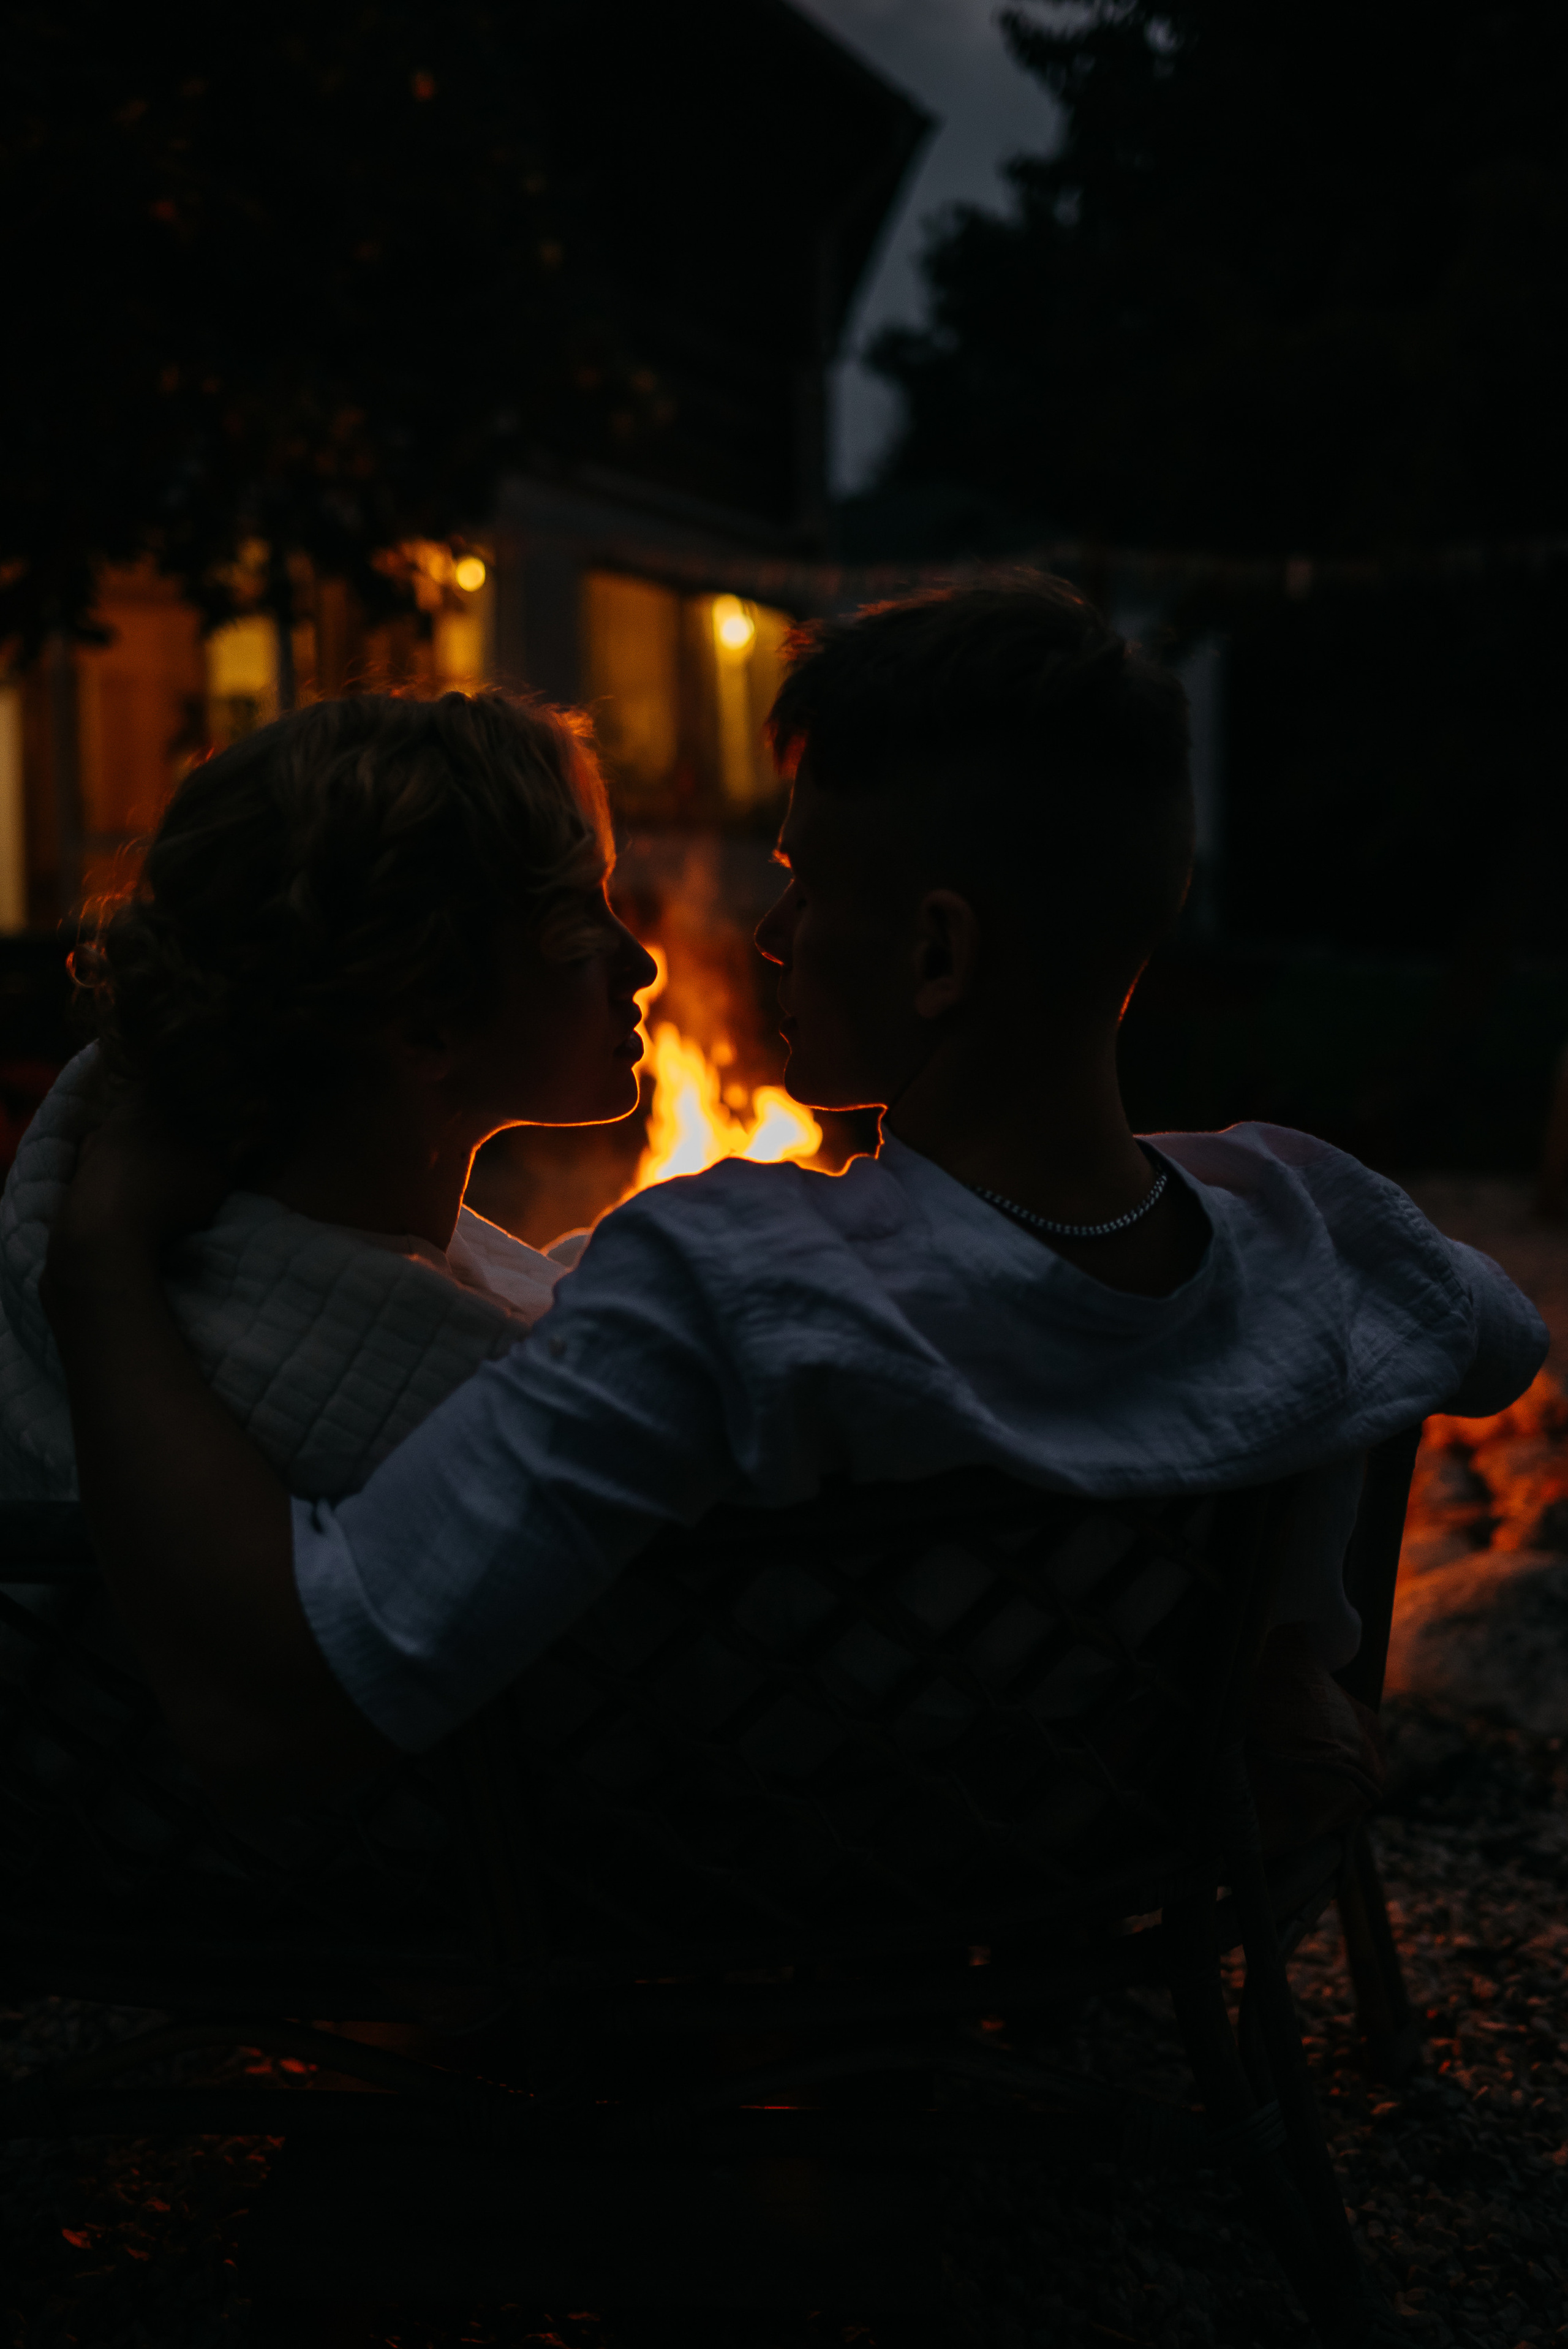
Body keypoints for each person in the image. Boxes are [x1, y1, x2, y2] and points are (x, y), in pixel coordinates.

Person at [42, 582, 1547, 1804]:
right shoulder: (1320, 1221)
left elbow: (296, 1698)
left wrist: (98, 1265)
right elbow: (1492, 1342)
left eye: (806, 887)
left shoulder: (723, 1290)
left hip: (774, 1893)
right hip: (1116, 1842)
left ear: (937, 956)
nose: (765, 935)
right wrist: (1290, 1647)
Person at [1, 689, 654, 1501]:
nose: (639, 964)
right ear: (423, 1020)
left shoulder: (236, 1286)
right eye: (582, 920)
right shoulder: (433, 1427)